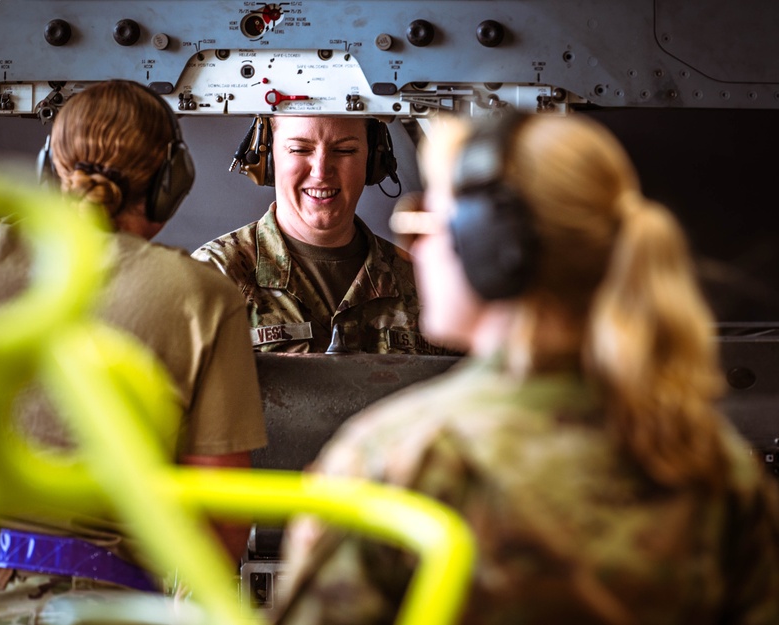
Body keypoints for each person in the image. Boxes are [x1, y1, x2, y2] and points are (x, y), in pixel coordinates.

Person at [273, 111, 779, 624]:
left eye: (429, 222)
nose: (417, 248)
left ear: (494, 249)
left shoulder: (402, 458)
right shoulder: (711, 460)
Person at [0, 80, 267, 622]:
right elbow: (221, 515)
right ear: (170, 182)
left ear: (48, 169)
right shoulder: (200, 296)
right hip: (93, 603)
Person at [193, 115, 453, 355]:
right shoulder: (214, 276)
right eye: (299, 149)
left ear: (372, 161)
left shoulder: (427, 282)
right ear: (268, 158)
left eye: (344, 150)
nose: (321, 171)